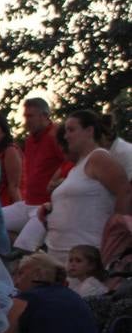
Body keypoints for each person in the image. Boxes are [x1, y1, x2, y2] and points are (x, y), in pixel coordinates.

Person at [39, 110, 129, 263]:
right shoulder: (76, 167)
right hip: (61, 256)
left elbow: (125, 192)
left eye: (71, 130)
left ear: (89, 131)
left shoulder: (98, 158)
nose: (66, 136)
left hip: (87, 258)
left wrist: (117, 238)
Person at [3, 98, 65, 237]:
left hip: (46, 205)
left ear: (44, 116)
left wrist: (56, 180)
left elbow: (70, 163)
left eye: (30, 116)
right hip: (28, 202)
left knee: (25, 245)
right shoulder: (30, 139)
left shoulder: (55, 136)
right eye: (25, 116)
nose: (27, 121)